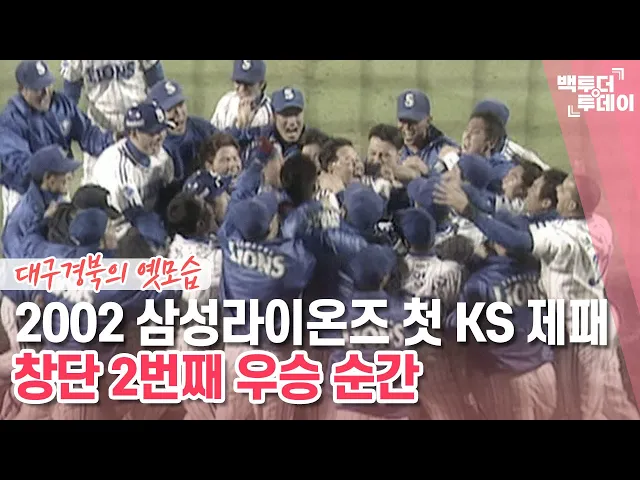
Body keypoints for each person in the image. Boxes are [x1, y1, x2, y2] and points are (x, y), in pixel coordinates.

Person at [434, 174, 637, 420]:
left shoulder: (561, 239)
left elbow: (518, 241)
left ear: (572, 204)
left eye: (563, 190)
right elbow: (522, 222)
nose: (558, 191)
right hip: (601, 317)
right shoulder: (599, 225)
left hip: (581, 328)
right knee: (614, 401)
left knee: (584, 410)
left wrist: (469, 211)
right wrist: (468, 193)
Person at [216, 191, 317, 420]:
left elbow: (232, 218)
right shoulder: (292, 260)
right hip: (274, 357)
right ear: (271, 225)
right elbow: (309, 259)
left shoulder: (229, 242)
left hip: (236, 351)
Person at [445, 240, 557, 420]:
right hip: (545, 372)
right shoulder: (536, 271)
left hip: (510, 380)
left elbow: (456, 327)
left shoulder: (479, 281)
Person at [0, 60, 115, 224]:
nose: (45, 93)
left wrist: (114, 140)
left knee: (62, 236)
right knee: (25, 238)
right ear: (22, 89)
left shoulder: (62, 105)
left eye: (48, 85)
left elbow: (88, 135)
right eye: (38, 88)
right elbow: (20, 163)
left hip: (58, 187)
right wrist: (54, 173)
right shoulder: (10, 121)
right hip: (24, 195)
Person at [60, 60, 165, 183]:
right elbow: (70, 94)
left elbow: (157, 81)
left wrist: (155, 120)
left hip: (138, 124)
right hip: (100, 128)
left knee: (145, 181)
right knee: (95, 184)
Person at [89, 101, 174, 240]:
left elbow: (169, 195)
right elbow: (137, 217)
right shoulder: (116, 167)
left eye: (162, 130)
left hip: (147, 222)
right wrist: (166, 241)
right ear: (134, 134)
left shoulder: (160, 154)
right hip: (115, 234)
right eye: (153, 132)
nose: (159, 137)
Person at [147, 80, 217, 184]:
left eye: (180, 105)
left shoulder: (201, 126)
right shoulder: (157, 143)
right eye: (170, 109)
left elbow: (227, 144)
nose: (179, 113)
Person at [396, 89, 458, 172]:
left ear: (428, 121)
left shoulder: (446, 149)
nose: (407, 127)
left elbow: (456, 179)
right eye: (402, 121)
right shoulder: (391, 148)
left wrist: (426, 172)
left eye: (413, 121)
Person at [211, 60, 273, 130]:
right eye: (238, 82)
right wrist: (238, 126)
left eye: (248, 84)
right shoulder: (226, 103)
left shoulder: (270, 111)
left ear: (261, 84)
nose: (242, 89)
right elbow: (213, 135)